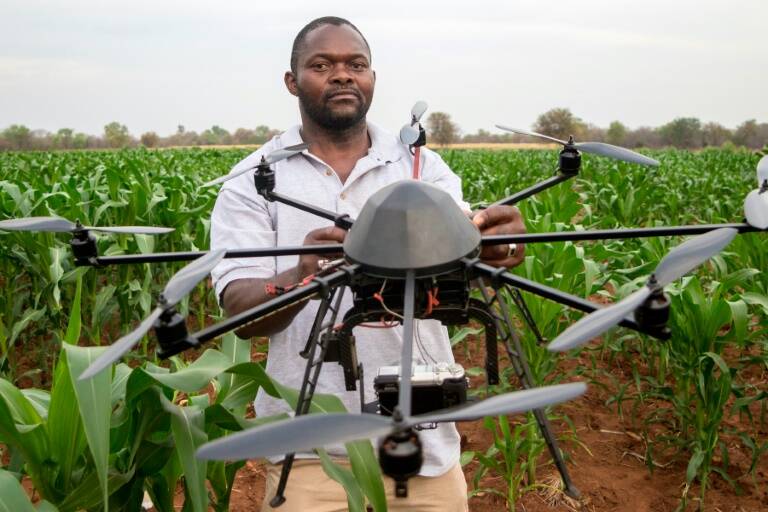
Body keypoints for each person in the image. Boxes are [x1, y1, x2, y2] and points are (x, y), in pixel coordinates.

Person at [210, 16, 526, 512]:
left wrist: (497, 249)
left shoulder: (422, 168)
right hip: (310, 454)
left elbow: (469, 259)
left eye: (356, 64)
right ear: (292, 81)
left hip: (425, 449)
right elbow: (238, 311)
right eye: (322, 65)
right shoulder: (252, 181)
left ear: (372, 79)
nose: (342, 75)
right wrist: (302, 276)